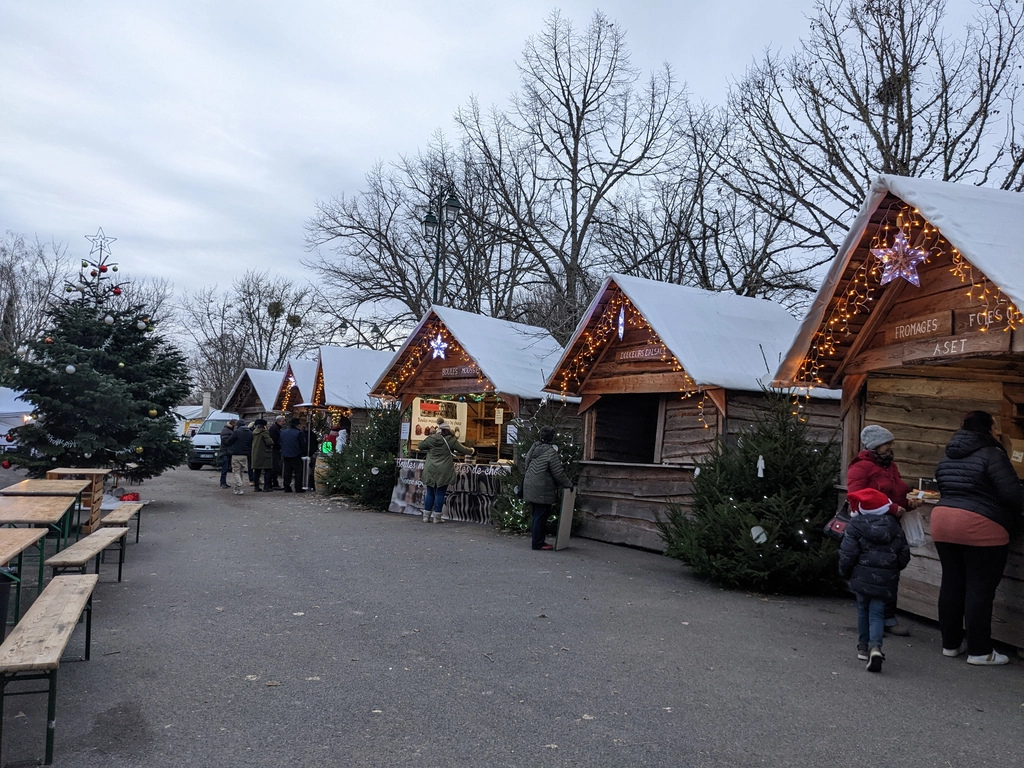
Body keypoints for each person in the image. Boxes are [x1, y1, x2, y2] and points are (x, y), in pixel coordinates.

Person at [933, 410, 1024, 665]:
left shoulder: (949, 454)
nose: (996, 432)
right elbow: (1012, 494)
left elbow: (943, 484)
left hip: (942, 521)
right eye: (994, 427)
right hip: (980, 525)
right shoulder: (993, 454)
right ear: (987, 429)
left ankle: (950, 644)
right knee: (980, 589)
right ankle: (980, 651)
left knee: (952, 584)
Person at [846, 424, 920, 637]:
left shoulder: (890, 466)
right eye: (887, 443)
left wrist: (911, 500)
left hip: (890, 527)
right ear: (876, 445)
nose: (891, 447)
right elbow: (858, 498)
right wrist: (891, 508)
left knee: (890, 571)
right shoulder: (860, 467)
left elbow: (897, 491)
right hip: (869, 529)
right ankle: (873, 617)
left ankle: (886, 615)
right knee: (871, 570)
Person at [838, 488, 911, 673]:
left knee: (863, 609)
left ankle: (863, 646)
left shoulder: (855, 526)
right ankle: (876, 647)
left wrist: (845, 573)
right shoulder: (894, 526)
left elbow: (848, 553)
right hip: (886, 578)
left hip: (860, 577)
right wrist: (894, 570)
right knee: (877, 613)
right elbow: (904, 553)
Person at [522, 426, 573, 551]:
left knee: (536, 515)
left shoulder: (533, 448)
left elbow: (527, 463)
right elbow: (558, 473)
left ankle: (536, 540)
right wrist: (569, 485)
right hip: (542, 489)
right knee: (541, 516)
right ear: (552, 438)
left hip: (530, 485)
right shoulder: (550, 452)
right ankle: (538, 543)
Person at [418, 421, 473, 523]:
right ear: (448, 430)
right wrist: (472, 451)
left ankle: (426, 517)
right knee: (440, 493)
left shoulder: (431, 439)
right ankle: (437, 518)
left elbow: (420, 446)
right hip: (444, 470)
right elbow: (463, 450)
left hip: (431, 469)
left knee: (430, 492)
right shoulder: (451, 440)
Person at [224, 420, 253, 495]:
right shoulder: (250, 433)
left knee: (236, 472)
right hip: (245, 455)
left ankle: (239, 484)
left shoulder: (237, 432)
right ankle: (238, 489)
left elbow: (229, 441)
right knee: (241, 472)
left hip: (236, 454)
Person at [279, 418, 305, 493]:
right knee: (298, 472)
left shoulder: (283, 432)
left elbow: (280, 442)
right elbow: (302, 444)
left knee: (287, 471)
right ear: (297, 425)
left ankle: (286, 487)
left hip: (286, 454)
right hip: (296, 454)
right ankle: (298, 487)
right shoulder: (299, 433)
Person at [250, 419, 274, 492]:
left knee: (257, 471)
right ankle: (266, 487)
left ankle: (256, 487)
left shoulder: (253, 433)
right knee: (267, 470)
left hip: (256, 454)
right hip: (265, 454)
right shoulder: (264, 433)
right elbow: (270, 442)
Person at [218, 419, 236, 488]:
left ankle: (223, 482)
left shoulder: (230, 430)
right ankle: (223, 482)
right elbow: (225, 441)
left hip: (227, 452)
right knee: (224, 468)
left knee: (226, 468)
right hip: (225, 452)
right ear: (232, 424)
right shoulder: (226, 430)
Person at [268, 415, 285, 489]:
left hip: (276, 449)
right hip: (274, 450)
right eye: (283, 421)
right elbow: (274, 441)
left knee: (275, 466)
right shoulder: (274, 429)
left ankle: (273, 482)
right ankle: (273, 483)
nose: (284, 423)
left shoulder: (276, 428)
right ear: (279, 421)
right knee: (274, 466)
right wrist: (279, 445)